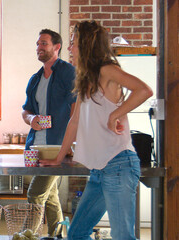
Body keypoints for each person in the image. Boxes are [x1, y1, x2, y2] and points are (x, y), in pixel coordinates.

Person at [39, 20, 153, 240]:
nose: (70, 48)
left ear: (88, 44)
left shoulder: (108, 70)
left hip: (119, 164)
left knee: (123, 236)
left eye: (74, 43)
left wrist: (115, 115)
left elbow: (144, 90)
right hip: (99, 171)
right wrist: (58, 158)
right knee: (77, 234)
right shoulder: (85, 79)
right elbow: (74, 121)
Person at [21, 29, 76, 237]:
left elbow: (77, 107)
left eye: (44, 43)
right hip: (36, 147)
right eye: (38, 44)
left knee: (35, 193)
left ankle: (28, 235)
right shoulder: (35, 79)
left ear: (57, 47)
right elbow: (25, 110)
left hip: (58, 147)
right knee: (50, 194)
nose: (39, 47)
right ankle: (57, 235)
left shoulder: (68, 72)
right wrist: (31, 119)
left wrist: (71, 143)